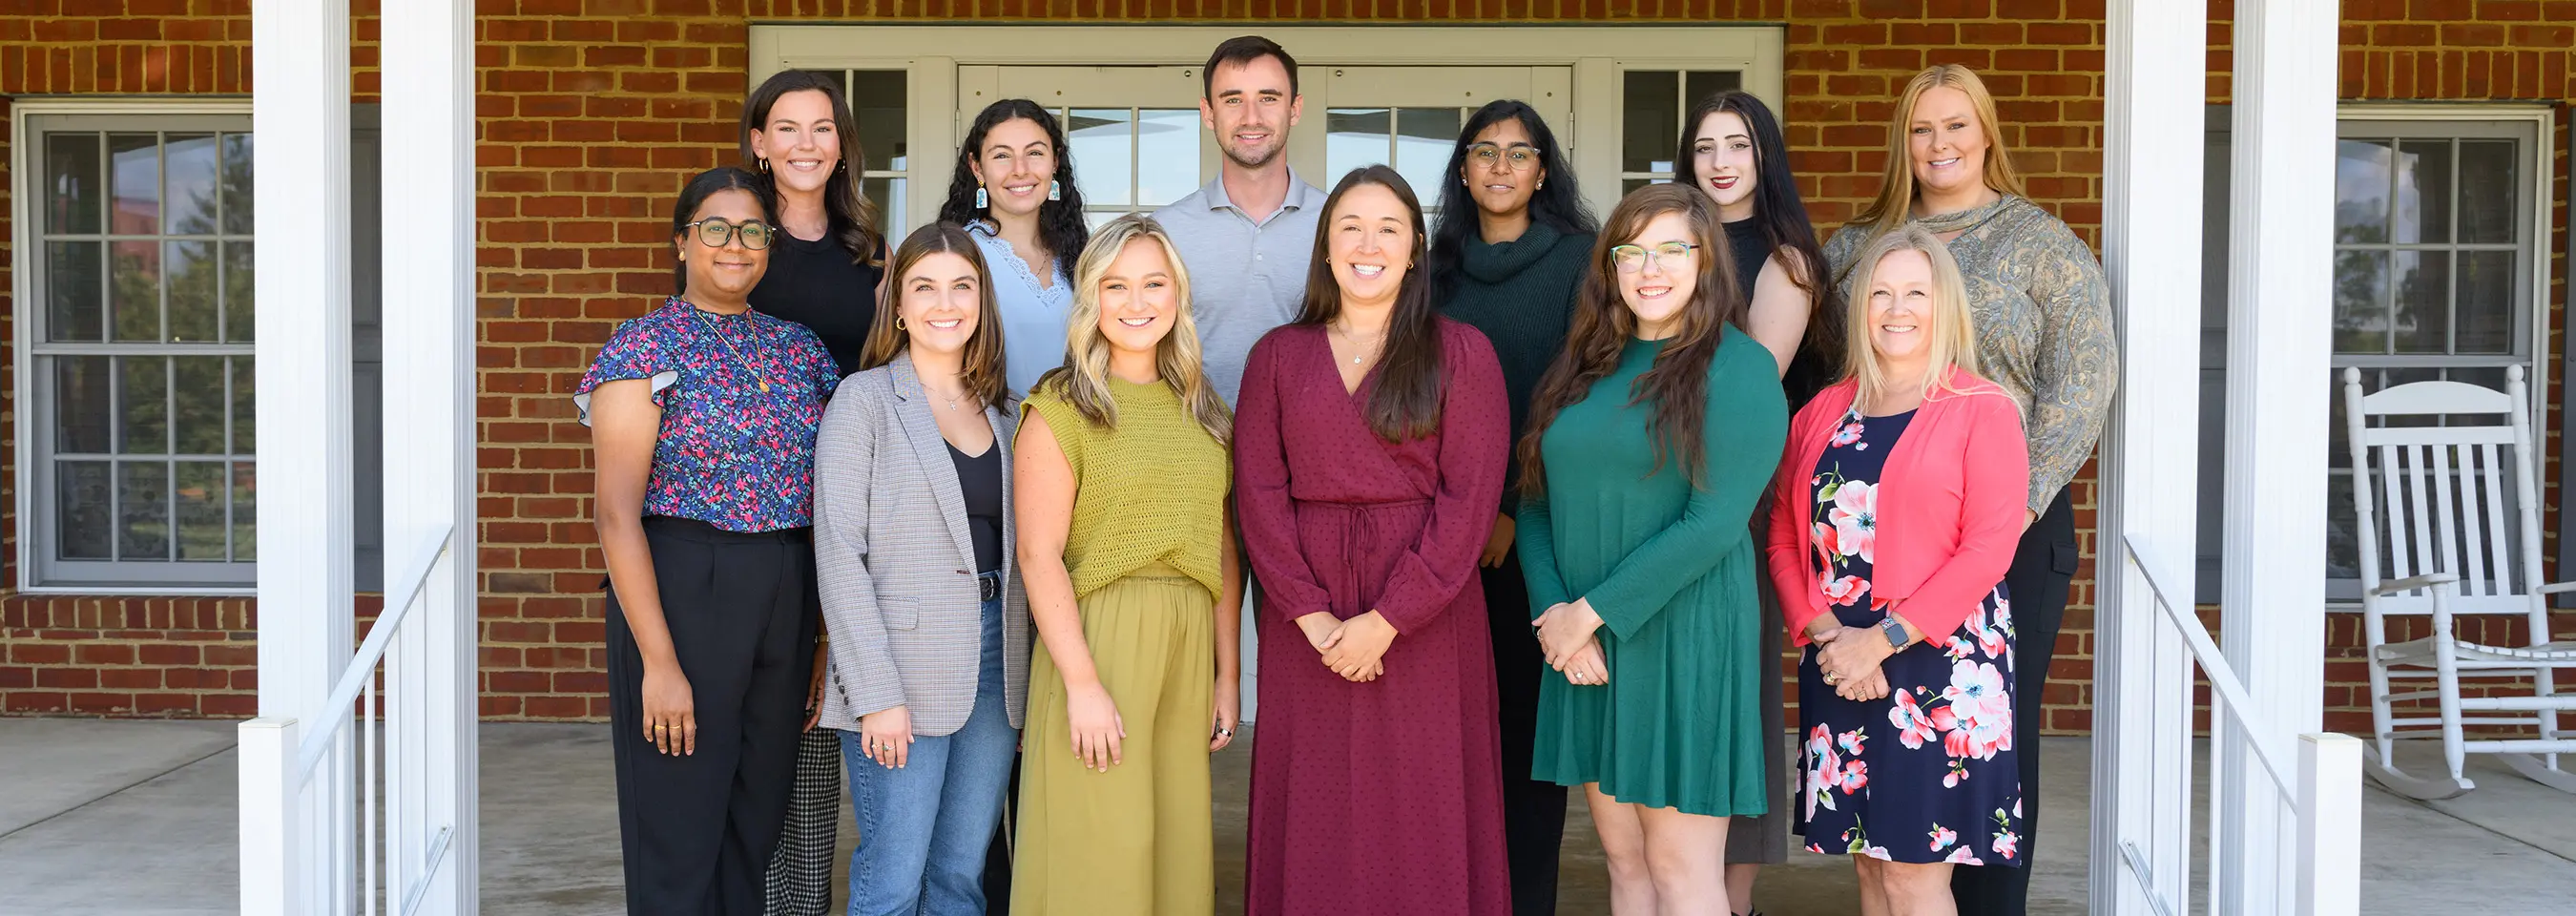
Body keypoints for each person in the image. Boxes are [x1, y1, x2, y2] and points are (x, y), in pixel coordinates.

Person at [1817, 64, 2115, 916]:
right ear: (1901, 144)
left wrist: (2012, 514)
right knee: (1879, 729)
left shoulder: (2043, 243)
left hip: (2011, 524)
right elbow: (1819, 376)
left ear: (1987, 134)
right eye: (1921, 129)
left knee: (1987, 736)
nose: (1939, 144)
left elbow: (2083, 382)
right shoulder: (1855, 248)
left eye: (1956, 126)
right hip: (1879, 523)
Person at [1236, 166, 1514, 916]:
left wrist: (1388, 621)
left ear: (1417, 248)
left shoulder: (1463, 353)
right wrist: (1312, 615)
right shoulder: (1277, 358)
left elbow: (1469, 504)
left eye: (1389, 228)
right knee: (1314, 804)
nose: (1369, 244)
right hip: (1308, 619)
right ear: (1326, 246)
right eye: (1350, 226)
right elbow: (1258, 498)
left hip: (1427, 612)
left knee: (1421, 802)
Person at [1516, 184, 1785, 914]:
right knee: (1625, 865)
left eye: (1672, 249)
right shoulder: (1584, 365)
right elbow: (1534, 500)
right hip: (1587, 650)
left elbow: (1715, 522)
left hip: (1684, 644)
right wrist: (1556, 621)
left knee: (1679, 871)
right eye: (1631, 252)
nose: (1650, 268)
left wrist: (1590, 613)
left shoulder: (1739, 368)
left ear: (1706, 262)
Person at [580, 166, 839, 916]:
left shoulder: (801, 352)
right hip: (684, 587)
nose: (736, 245)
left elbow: (828, 497)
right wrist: (659, 663)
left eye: (753, 230)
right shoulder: (641, 348)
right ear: (682, 243)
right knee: (679, 821)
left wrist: (819, 640)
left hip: (787, 588)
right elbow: (615, 516)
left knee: (756, 818)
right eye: (716, 229)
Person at [1768, 225, 2028, 914]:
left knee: (1915, 874)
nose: (1897, 307)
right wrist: (1829, 639)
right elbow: (1783, 538)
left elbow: (1988, 549)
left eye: (1916, 291)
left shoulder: (1984, 410)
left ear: (1945, 305)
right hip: (1839, 662)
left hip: (1940, 665)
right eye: (1881, 292)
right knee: (1871, 869)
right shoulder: (1821, 413)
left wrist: (1879, 641)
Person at [1010, 216, 1243, 915]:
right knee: (1101, 851)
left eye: (1153, 283)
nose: (1136, 302)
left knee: (1172, 851)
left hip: (1186, 638)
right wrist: (1082, 683)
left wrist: (1227, 674)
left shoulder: (1205, 411)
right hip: (1098, 637)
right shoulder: (1062, 407)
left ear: (1177, 294)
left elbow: (1222, 549)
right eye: (1116, 285)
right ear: (1091, 299)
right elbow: (1036, 553)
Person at [811, 223, 1028, 916]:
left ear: (981, 301)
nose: (945, 303)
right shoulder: (864, 401)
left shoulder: (1007, 413)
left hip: (997, 662)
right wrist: (875, 692)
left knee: (962, 872)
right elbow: (839, 552)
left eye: (961, 286)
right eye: (924, 287)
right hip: (899, 664)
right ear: (898, 306)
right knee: (894, 876)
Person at [1425, 100, 1597, 916]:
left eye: (1518, 153)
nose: (1500, 166)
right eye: (1484, 152)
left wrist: (1504, 508)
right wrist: (1459, 516)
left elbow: (1572, 399)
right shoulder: (1435, 269)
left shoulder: (1580, 263)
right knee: (1451, 735)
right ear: (1463, 170)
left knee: (1528, 736)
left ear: (1542, 170)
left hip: (1534, 530)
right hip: (1441, 535)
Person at [1677, 89, 1843, 916]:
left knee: (1739, 693)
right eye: (1704, 147)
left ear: (1763, 155)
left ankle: (1731, 895)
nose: (1719, 163)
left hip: (1739, 498)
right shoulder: (1672, 245)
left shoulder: (1786, 260)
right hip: (1664, 489)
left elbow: (1748, 386)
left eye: (1736, 145)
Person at [738, 71, 889, 915]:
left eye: (822, 128)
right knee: (752, 722)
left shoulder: (871, 252)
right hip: (750, 512)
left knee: (815, 717)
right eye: (785, 128)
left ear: (841, 143)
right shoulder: (734, 236)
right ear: (758, 142)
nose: (805, 144)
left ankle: (796, 902)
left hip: (844, 504)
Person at [1149, 34, 1327, 406]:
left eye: (1268, 98)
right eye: (1233, 100)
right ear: (1208, 112)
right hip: (1195, 448)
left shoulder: (1339, 226)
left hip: (1308, 452)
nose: (1251, 118)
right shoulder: (1163, 232)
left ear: (1295, 109)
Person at [941, 98, 1090, 394]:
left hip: (1077, 434)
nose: (1020, 170)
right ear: (977, 167)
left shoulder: (1083, 253)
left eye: (1034, 153)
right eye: (1001, 156)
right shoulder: (958, 255)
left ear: (1055, 161)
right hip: (990, 432)